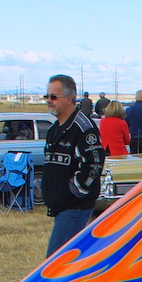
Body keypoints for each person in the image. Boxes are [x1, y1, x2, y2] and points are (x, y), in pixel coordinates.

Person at [42, 74, 104, 258]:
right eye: (47, 97)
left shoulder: (83, 127)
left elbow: (94, 163)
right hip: (60, 206)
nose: (49, 101)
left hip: (74, 206)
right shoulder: (54, 129)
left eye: (54, 97)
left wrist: (75, 190)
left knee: (55, 262)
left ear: (69, 98)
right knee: (68, 261)